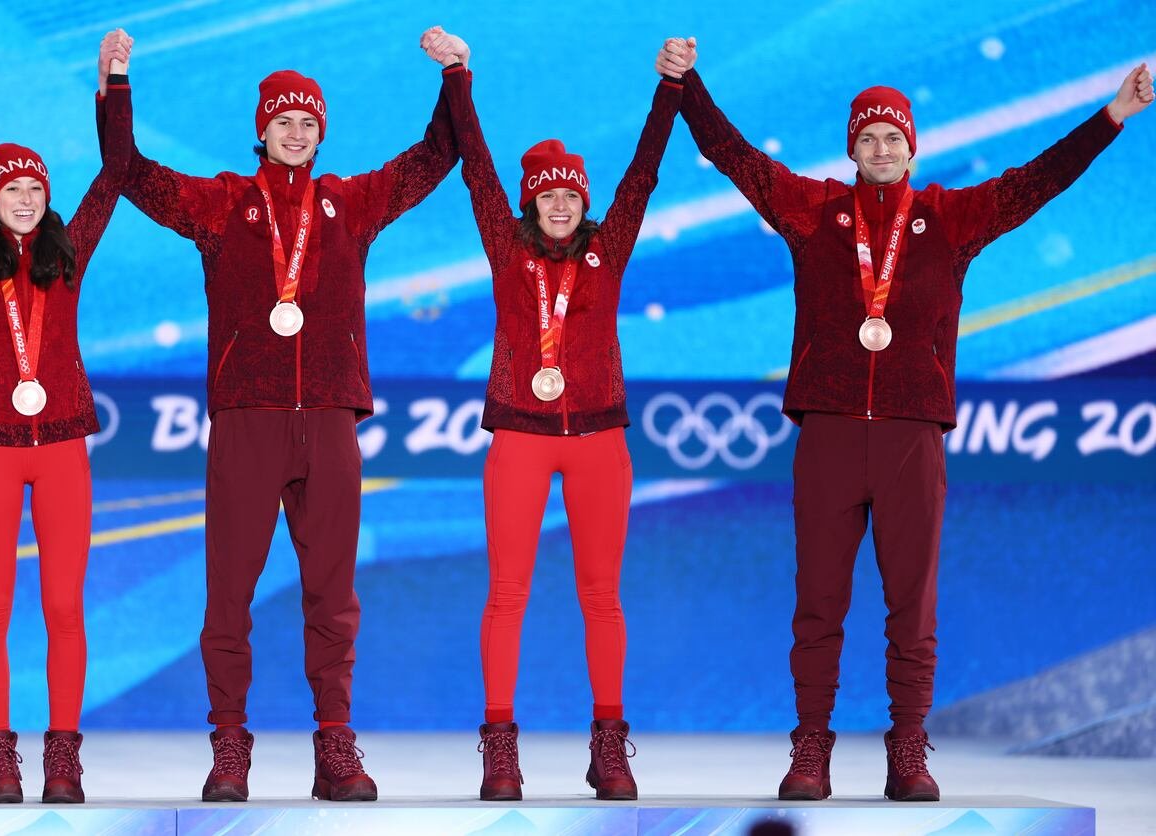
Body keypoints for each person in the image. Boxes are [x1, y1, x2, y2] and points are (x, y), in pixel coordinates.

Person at [659, 37, 1153, 801]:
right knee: (818, 603)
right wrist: (689, 86)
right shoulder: (814, 210)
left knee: (911, 605)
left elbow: (1036, 182)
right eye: (868, 137)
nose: (881, 148)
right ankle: (811, 752)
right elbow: (739, 160)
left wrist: (1113, 115)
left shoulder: (949, 219)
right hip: (826, 430)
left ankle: (909, 752)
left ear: (912, 148)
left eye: (893, 137)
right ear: (852, 146)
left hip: (911, 436)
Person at [95, 31, 460, 802]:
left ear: (321, 133)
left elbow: (435, 157)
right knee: (229, 593)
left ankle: (335, 748)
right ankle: (230, 748)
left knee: (332, 592)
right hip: (249, 418)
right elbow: (131, 174)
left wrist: (455, 74)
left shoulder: (349, 205)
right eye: (282, 120)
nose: (295, 132)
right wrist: (116, 83)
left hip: (328, 415)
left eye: (308, 122)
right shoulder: (224, 203)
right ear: (260, 128)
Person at [421, 26, 684, 801]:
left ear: (584, 201)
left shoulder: (611, 247)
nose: (562, 205)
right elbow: (475, 165)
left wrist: (670, 88)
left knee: (601, 595)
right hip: (520, 439)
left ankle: (610, 748)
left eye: (572, 194)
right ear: (532, 200)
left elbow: (645, 171)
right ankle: (499, 749)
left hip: (600, 438)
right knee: (507, 593)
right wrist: (459, 77)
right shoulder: (508, 249)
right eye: (549, 194)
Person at [0, 36, 133, 804]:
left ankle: (63, 757)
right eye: (12, 188)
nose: (26, 197)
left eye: (35, 188)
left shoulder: (68, 253)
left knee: (63, 606)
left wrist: (113, 84)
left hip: (63, 450)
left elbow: (115, 175)